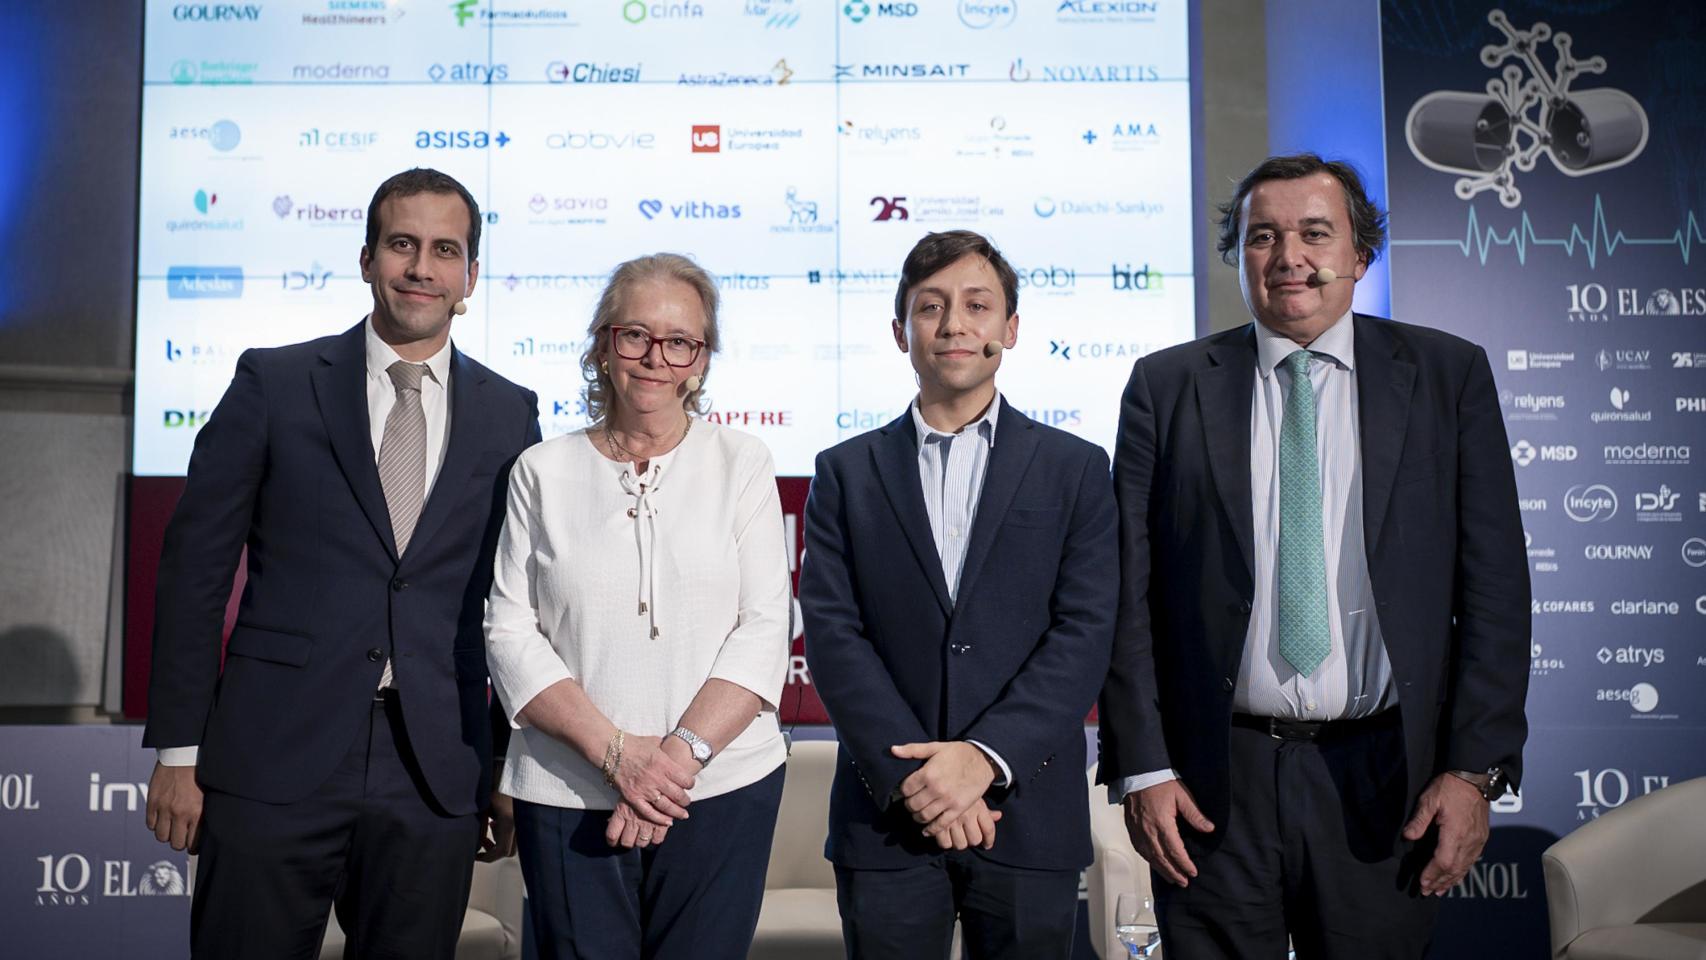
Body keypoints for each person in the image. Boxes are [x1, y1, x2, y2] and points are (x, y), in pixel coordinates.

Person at [1098, 153, 1531, 959]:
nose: (1288, 256)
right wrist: (1145, 767)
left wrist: (1474, 770)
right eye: (1262, 236)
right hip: (1208, 785)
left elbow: (1497, 589)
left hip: (1386, 779)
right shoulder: (1166, 386)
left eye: (1314, 233)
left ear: (1360, 255)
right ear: (1237, 257)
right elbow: (1127, 593)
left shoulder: (1446, 376)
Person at [142, 167, 542, 958]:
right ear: (367, 260)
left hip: (434, 766)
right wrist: (179, 752)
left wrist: (506, 762)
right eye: (402, 244)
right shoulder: (275, 383)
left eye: (444, 250)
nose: (421, 267)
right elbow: (195, 573)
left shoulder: (511, 413)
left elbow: (520, 605)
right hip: (271, 755)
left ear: (470, 276)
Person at [800, 229, 1118, 960]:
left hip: (1028, 811)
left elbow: (1085, 632)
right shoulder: (846, 471)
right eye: (930, 307)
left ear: (1009, 329)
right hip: (888, 817)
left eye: (978, 305)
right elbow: (833, 634)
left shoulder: (1074, 468)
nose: (954, 325)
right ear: (900, 330)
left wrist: (983, 759)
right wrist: (922, 781)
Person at [483, 253, 791, 960]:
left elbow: (765, 625)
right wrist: (618, 757)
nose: (656, 358)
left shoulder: (741, 461)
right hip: (566, 789)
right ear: (602, 344)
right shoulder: (541, 471)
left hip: (721, 786)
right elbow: (509, 630)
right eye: (634, 335)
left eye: (679, 341)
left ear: (701, 360)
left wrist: (672, 762)